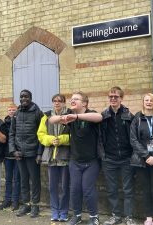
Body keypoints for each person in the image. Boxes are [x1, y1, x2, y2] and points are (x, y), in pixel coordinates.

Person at [49, 91, 102, 225]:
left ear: (84, 103)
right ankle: (77, 215)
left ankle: (94, 216)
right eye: (71, 99)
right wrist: (64, 118)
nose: (72, 101)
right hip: (75, 161)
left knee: (88, 189)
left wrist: (77, 116)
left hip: (91, 161)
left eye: (76, 99)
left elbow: (99, 117)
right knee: (75, 189)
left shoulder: (90, 113)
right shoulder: (69, 116)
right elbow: (51, 120)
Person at [99, 86, 136, 225]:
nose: (113, 99)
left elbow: (134, 137)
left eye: (116, 96)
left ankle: (129, 217)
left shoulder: (129, 115)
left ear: (121, 98)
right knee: (112, 189)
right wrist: (103, 155)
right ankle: (115, 216)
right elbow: (100, 138)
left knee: (128, 189)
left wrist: (133, 155)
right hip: (109, 159)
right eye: (111, 97)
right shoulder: (103, 116)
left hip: (127, 158)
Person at [130, 93, 153, 225]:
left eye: (151, 100)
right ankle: (148, 216)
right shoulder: (137, 118)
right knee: (145, 189)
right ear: (143, 102)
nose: (148, 102)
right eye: (146, 100)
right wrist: (146, 156)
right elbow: (133, 140)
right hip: (142, 160)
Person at [9, 89, 44, 218]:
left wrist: (39, 153)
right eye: (21, 97)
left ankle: (35, 206)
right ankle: (26, 204)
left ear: (31, 98)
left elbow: (41, 134)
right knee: (23, 180)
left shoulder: (37, 113)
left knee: (35, 181)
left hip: (33, 153)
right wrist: (13, 150)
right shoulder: (16, 113)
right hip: (19, 154)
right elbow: (12, 133)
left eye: (26, 97)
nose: (24, 99)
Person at [37, 94, 71, 222]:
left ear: (64, 103)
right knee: (52, 187)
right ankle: (55, 211)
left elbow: (76, 135)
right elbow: (40, 135)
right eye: (55, 101)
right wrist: (51, 140)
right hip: (51, 157)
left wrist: (62, 139)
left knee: (65, 186)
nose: (57, 103)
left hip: (65, 156)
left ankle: (64, 212)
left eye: (60, 101)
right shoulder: (46, 116)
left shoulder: (69, 115)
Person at [0, 103, 20, 211]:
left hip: (17, 156)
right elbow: (2, 141)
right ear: (7, 111)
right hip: (7, 157)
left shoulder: (20, 122)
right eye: (10, 109)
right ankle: (7, 200)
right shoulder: (4, 124)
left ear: (17, 110)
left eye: (13, 109)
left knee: (17, 179)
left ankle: (15, 201)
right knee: (8, 179)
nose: (11, 111)